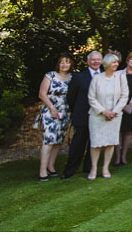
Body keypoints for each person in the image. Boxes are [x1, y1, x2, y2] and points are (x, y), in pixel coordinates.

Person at [61, 51, 103, 179]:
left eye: (98, 59)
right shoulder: (79, 77)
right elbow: (71, 97)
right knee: (78, 144)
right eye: (93, 60)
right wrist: (77, 110)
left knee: (94, 143)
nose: (96, 62)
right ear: (88, 61)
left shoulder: (105, 75)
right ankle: (70, 170)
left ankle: (89, 167)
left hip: (99, 115)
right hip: (82, 115)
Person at [87, 53, 127, 180]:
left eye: (116, 62)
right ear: (107, 64)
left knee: (111, 142)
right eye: (113, 62)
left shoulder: (120, 77)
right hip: (98, 116)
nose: (116, 64)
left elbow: (124, 96)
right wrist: (104, 111)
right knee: (96, 143)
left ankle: (105, 168)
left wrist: (114, 111)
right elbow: (91, 98)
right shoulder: (97, 78)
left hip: (115, 116)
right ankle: (93, 168)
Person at [37, 53, 73, 181]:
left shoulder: (72, 77)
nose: (64, 65)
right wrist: (52, 108)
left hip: (65, 112)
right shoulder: (50, 75)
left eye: (67, 62)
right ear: (58, 63)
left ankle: (51, 166)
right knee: (49, 139)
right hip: (50, 110)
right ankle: (42, 170)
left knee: (58, 139)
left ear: (71, 64)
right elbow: (42, 94)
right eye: (62, 62)